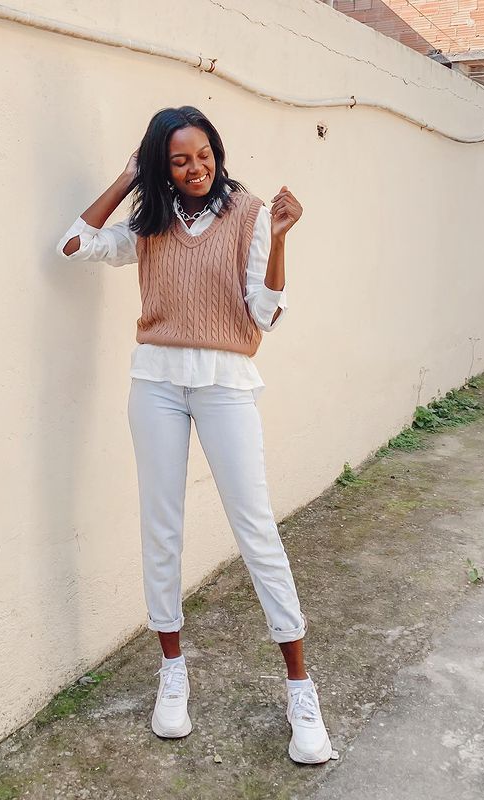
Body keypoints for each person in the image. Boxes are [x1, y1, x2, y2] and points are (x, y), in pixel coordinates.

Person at [56, 106, 333, 764]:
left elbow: (265, 314)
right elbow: (71, 245)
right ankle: (172, 674)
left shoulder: (248, 211)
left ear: (217, 151)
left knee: (255, 526)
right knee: (162, 526)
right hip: (154, 382)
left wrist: (284, 237)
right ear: (164, 166)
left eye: (203, 153)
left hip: (225, 382)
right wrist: (129, 177)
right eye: (179, 160)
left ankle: (300, 687)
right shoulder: (150, 220)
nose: (195, 167)